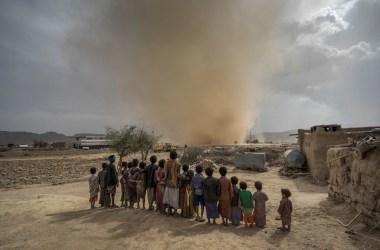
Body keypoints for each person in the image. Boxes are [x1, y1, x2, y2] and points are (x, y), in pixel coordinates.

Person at [163, 151, 181, 216]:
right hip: (175, 183)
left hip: (168, 183)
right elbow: (177, 175)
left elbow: (165, 174)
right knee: (175, 198)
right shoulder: (178, 164)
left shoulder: (166, 163)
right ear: (176, 156)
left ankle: (168, 212)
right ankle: (175, 213)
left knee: (169, 198)